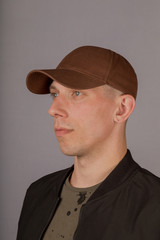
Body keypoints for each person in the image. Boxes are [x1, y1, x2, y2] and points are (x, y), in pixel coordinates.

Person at [17, 46, 160, 240]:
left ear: (122, 109)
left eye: (76, 94)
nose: (53, 109)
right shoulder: (37, 193)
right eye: (55, 94)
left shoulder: (154, 206)